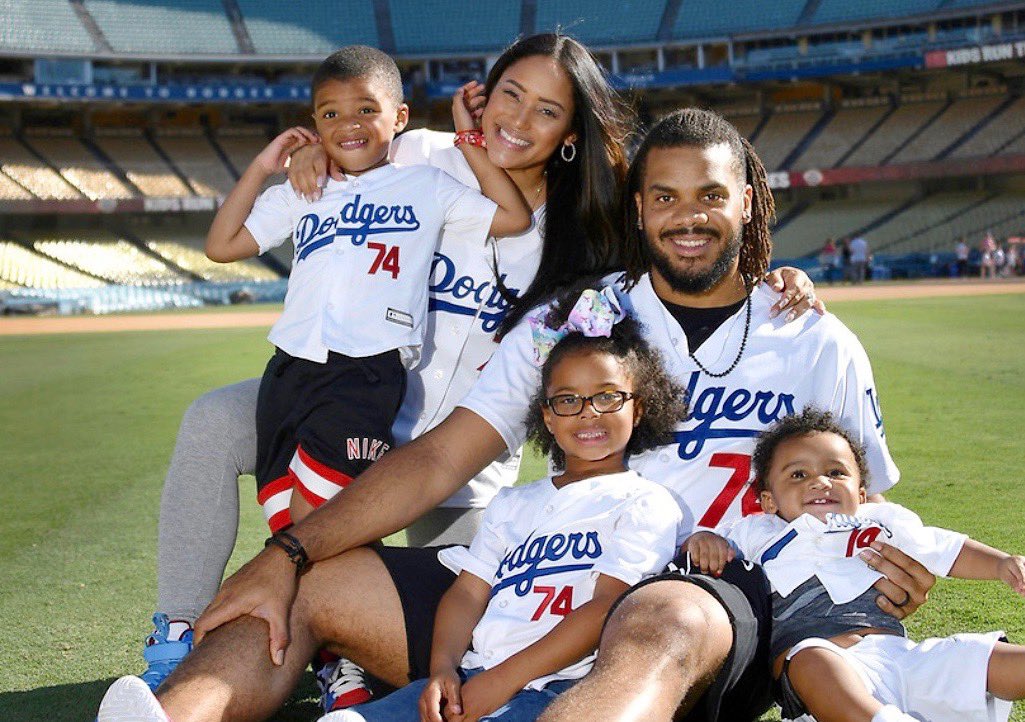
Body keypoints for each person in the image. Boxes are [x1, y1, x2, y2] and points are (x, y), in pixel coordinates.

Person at [96, 107, 931, 722]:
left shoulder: (813, 337)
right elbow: (435, 460)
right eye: (666, 197)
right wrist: (286, 550)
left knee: (658, 612)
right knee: (315, 582)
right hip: (542, 579)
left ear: (747, 202)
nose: (687, 216)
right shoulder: (575, 320)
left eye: (710, 196)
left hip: (709, 596)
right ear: (638, 209)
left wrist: (891, 566)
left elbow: (863, 497)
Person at [317, 293, 687, 722]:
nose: (588, 414)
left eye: (607, 397)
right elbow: (468, 593)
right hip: (473, 676)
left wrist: (503, 680)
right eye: (568, 400)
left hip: (561, 687)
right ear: (547, 417)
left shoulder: (647, 503)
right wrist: (441, 670)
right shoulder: (513, 503)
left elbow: (606, 608)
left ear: (638, 408)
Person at [206, 45, 530, 533]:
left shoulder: (425, 185)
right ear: (314, 122)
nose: (348, 124)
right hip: (290, 366)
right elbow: (222, 245)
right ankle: (309, 605)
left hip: (367, 371)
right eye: (330, 113)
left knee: (320, 519)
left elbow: (513, 217)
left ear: (398, 117)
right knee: (286, 523)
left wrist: (469, 140)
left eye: (366, 109)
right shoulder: (301, 187)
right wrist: (261, 167)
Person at [685, 407, 1025, 722]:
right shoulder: (757, 531)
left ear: (861, 493)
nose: (820, 482)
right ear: (768, 500)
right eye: (799, 475)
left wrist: (1001, 564)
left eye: (836, 472)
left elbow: (943, 547)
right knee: (811, 661)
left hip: (900, 654)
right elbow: (714, 549)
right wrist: (704, 540)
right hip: (821, 664)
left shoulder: (879, 522)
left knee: (979, 656)